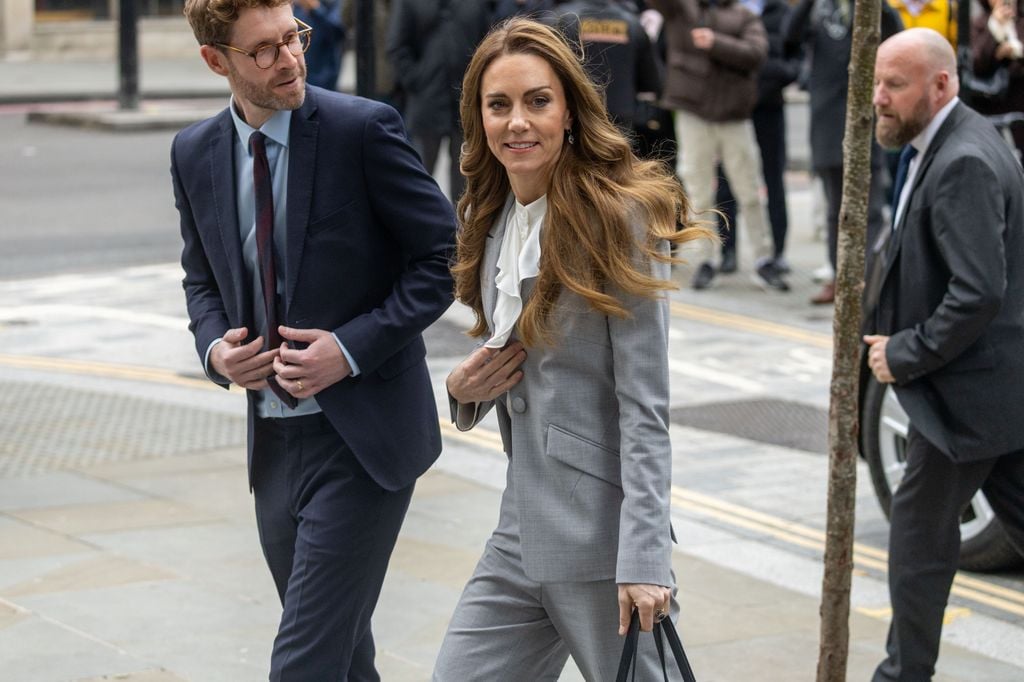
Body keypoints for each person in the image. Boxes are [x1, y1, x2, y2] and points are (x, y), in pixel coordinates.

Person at [171, 0, 456, 678]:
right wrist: (216, 350)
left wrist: (349, 348)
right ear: (217, 61)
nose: (290, 58)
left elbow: (444, 259)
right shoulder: (193, 153)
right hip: (272, 446)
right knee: (344, 660)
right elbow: (200, 280)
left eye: (292, 37)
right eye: (263, 50)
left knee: (303, 663)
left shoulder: (363, 129)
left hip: (363, 442)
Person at [432, 17, 709, 681]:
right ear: (479, 119)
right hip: (518, 532)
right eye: (498, 105)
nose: (517, 122)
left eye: (537, 101)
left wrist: (644, 559)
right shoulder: (492, 218)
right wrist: (461, 393)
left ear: (569, 113)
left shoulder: (619, 217)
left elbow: (645, 407)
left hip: (600, 544)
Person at [864, 27, 1024, 681]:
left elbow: (979, 292)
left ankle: (903, 676)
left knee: (917, 543)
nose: (879, 98)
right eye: (877, 82)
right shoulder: (949, 143)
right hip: (994, 388)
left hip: (964, 395)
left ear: (942, 84)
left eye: (895, 85)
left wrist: (906, 353)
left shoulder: (962, 161)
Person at [649, 0, 790, 293]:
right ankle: (705, 260)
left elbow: (756, 54)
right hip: (693, 112)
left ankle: (763, 258)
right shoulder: (683, 9)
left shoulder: (744, 16)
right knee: (698, 192)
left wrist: (716, 43)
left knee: (750, 190)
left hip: (733, 116)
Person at [784, 0, 901, 304]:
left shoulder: (869, 8)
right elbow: (788, 38)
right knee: (836, 210)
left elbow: (895, 30)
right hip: (826, 119)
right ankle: (840, 277)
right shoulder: (818, 10)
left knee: (870, 208)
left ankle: (871, 280)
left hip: (865, 119)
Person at [714, 0, 802, 275]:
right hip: (733, 110)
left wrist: (782, 74)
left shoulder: (780, 10)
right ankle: (728, 251)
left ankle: (776, 252)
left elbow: (796, 54)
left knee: (774, 180)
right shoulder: (723, 9)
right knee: (727, 181)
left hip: (769, 109)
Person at [386, 0, 491, 204]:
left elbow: (487, 42)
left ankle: (464, 231)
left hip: (465, 103)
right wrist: (417, 80)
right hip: (427, 102)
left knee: (466, 177)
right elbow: (397, 46)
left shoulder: (475, 4)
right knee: (419, 176)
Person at [971, 0, 1024, 162]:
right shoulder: (980, 24)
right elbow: (975, 62)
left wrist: (1016, 52)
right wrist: (994, 29)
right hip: (990, 107)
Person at [292, 0, 345, 90]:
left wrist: (315, 8)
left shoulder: (332, 3)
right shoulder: (294, 5)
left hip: (324, 74)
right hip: (300, 69)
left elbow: (337, 33)